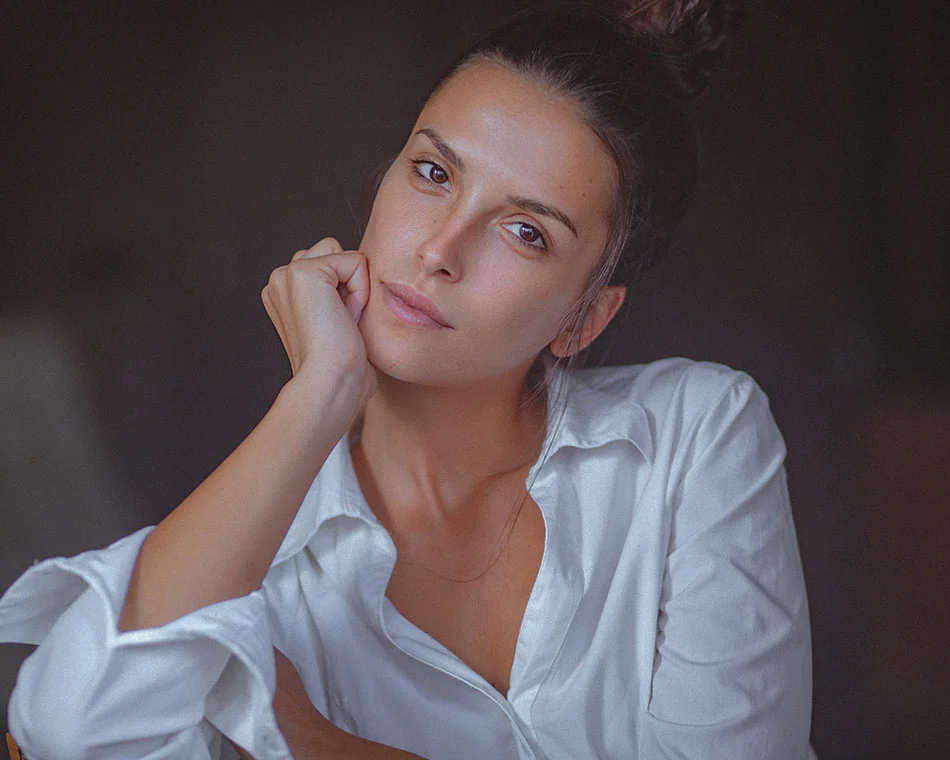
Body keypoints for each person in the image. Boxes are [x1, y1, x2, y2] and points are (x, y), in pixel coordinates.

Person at [0, 1, 816, 758]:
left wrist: (316, 743)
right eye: (434, 174)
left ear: (584, 319)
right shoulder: (253, 552)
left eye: (525, 230)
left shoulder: (693, 434)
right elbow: (63, 732)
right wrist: (318, 395)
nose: (440, 249)